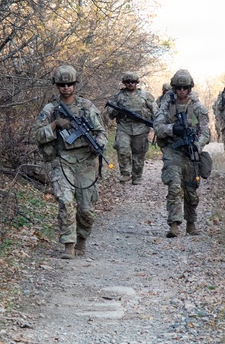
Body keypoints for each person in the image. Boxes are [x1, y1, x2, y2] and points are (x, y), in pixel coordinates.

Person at [32, 65, 108, 259]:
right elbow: (38, 135)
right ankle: (68, 244)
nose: (66, 88)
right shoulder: (51, 109)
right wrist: (55, 124)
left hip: (85, 162)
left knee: (86, 209)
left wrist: (98, 144)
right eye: (62, 84)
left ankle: (82, 239)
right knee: (65, 202)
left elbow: (101, 132)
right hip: (63, 160)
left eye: (70, 84)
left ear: (75, 85)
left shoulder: (87, 106)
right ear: (57, 86)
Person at [154, 69, 211, 237]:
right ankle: (174, 223)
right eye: (178, 88)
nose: (181, 91)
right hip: (173, 151)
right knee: (174, 187)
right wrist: (172, 129)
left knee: (191, 190)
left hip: (191, 153)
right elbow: (157, 127)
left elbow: (206, 132)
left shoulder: (198, 108)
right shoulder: (167, 106)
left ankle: (191, 222)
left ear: (189, 89)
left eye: (185, 88)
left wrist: (197, 145)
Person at [105, 72, 156, 184]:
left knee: (139, 153)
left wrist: (157, 123)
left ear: (137, 83)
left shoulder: (145, 95)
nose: (130, 84)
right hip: (124, 127)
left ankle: (137, 176)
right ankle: (125, 173)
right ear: (124, 83)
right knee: (122, 148)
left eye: (133, 82)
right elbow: (109, 113)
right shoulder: (118, 96)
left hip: (141, 128)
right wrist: (115, 110)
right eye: (128, 82)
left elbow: (155, 110)